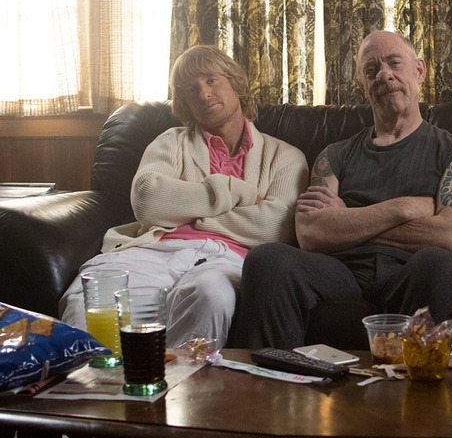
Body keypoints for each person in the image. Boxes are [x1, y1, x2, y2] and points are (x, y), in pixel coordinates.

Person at [229, 30, 452, 349]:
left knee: (440, 263)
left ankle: (417, 379)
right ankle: (274, 376)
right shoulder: (335, 155)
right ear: (362, 86)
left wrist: (348, 219)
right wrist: (404, 208)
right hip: (341, 275)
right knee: (267, 258)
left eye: (395, 63)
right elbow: (311, 233)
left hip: (411, 272)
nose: (384, 75)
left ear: (419, 70)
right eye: (371, 70)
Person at [59, 45, 309, 348]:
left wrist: (187, 213)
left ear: (236, 85)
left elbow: (276, 227)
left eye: (211, 80)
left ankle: (175, 378)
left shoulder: (286, 157)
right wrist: (235, 191)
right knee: (90, 300)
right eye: (191, 89)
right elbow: (147, 200)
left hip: (227, 259)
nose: (203, 93)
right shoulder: (170, 142)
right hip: (153, 249)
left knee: (211, 296)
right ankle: (98, 379)